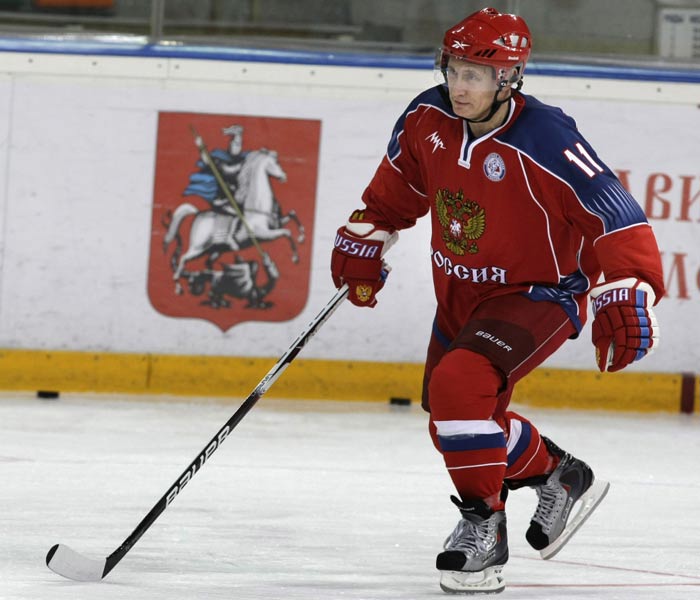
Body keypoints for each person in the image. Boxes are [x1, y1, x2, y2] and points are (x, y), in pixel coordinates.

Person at [330, 7, 664, 595]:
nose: (461, 86)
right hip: (462, 295)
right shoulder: (426, 116)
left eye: (477, 76)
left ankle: (484, 531)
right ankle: (560, 474)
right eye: (455, 69)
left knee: (459, 388)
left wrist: (631, 285)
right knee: (453, 423)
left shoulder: (547, 138)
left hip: (539, 294)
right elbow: (397, 191)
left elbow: (616, 216)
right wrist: (368, 234)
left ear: (509, 79)